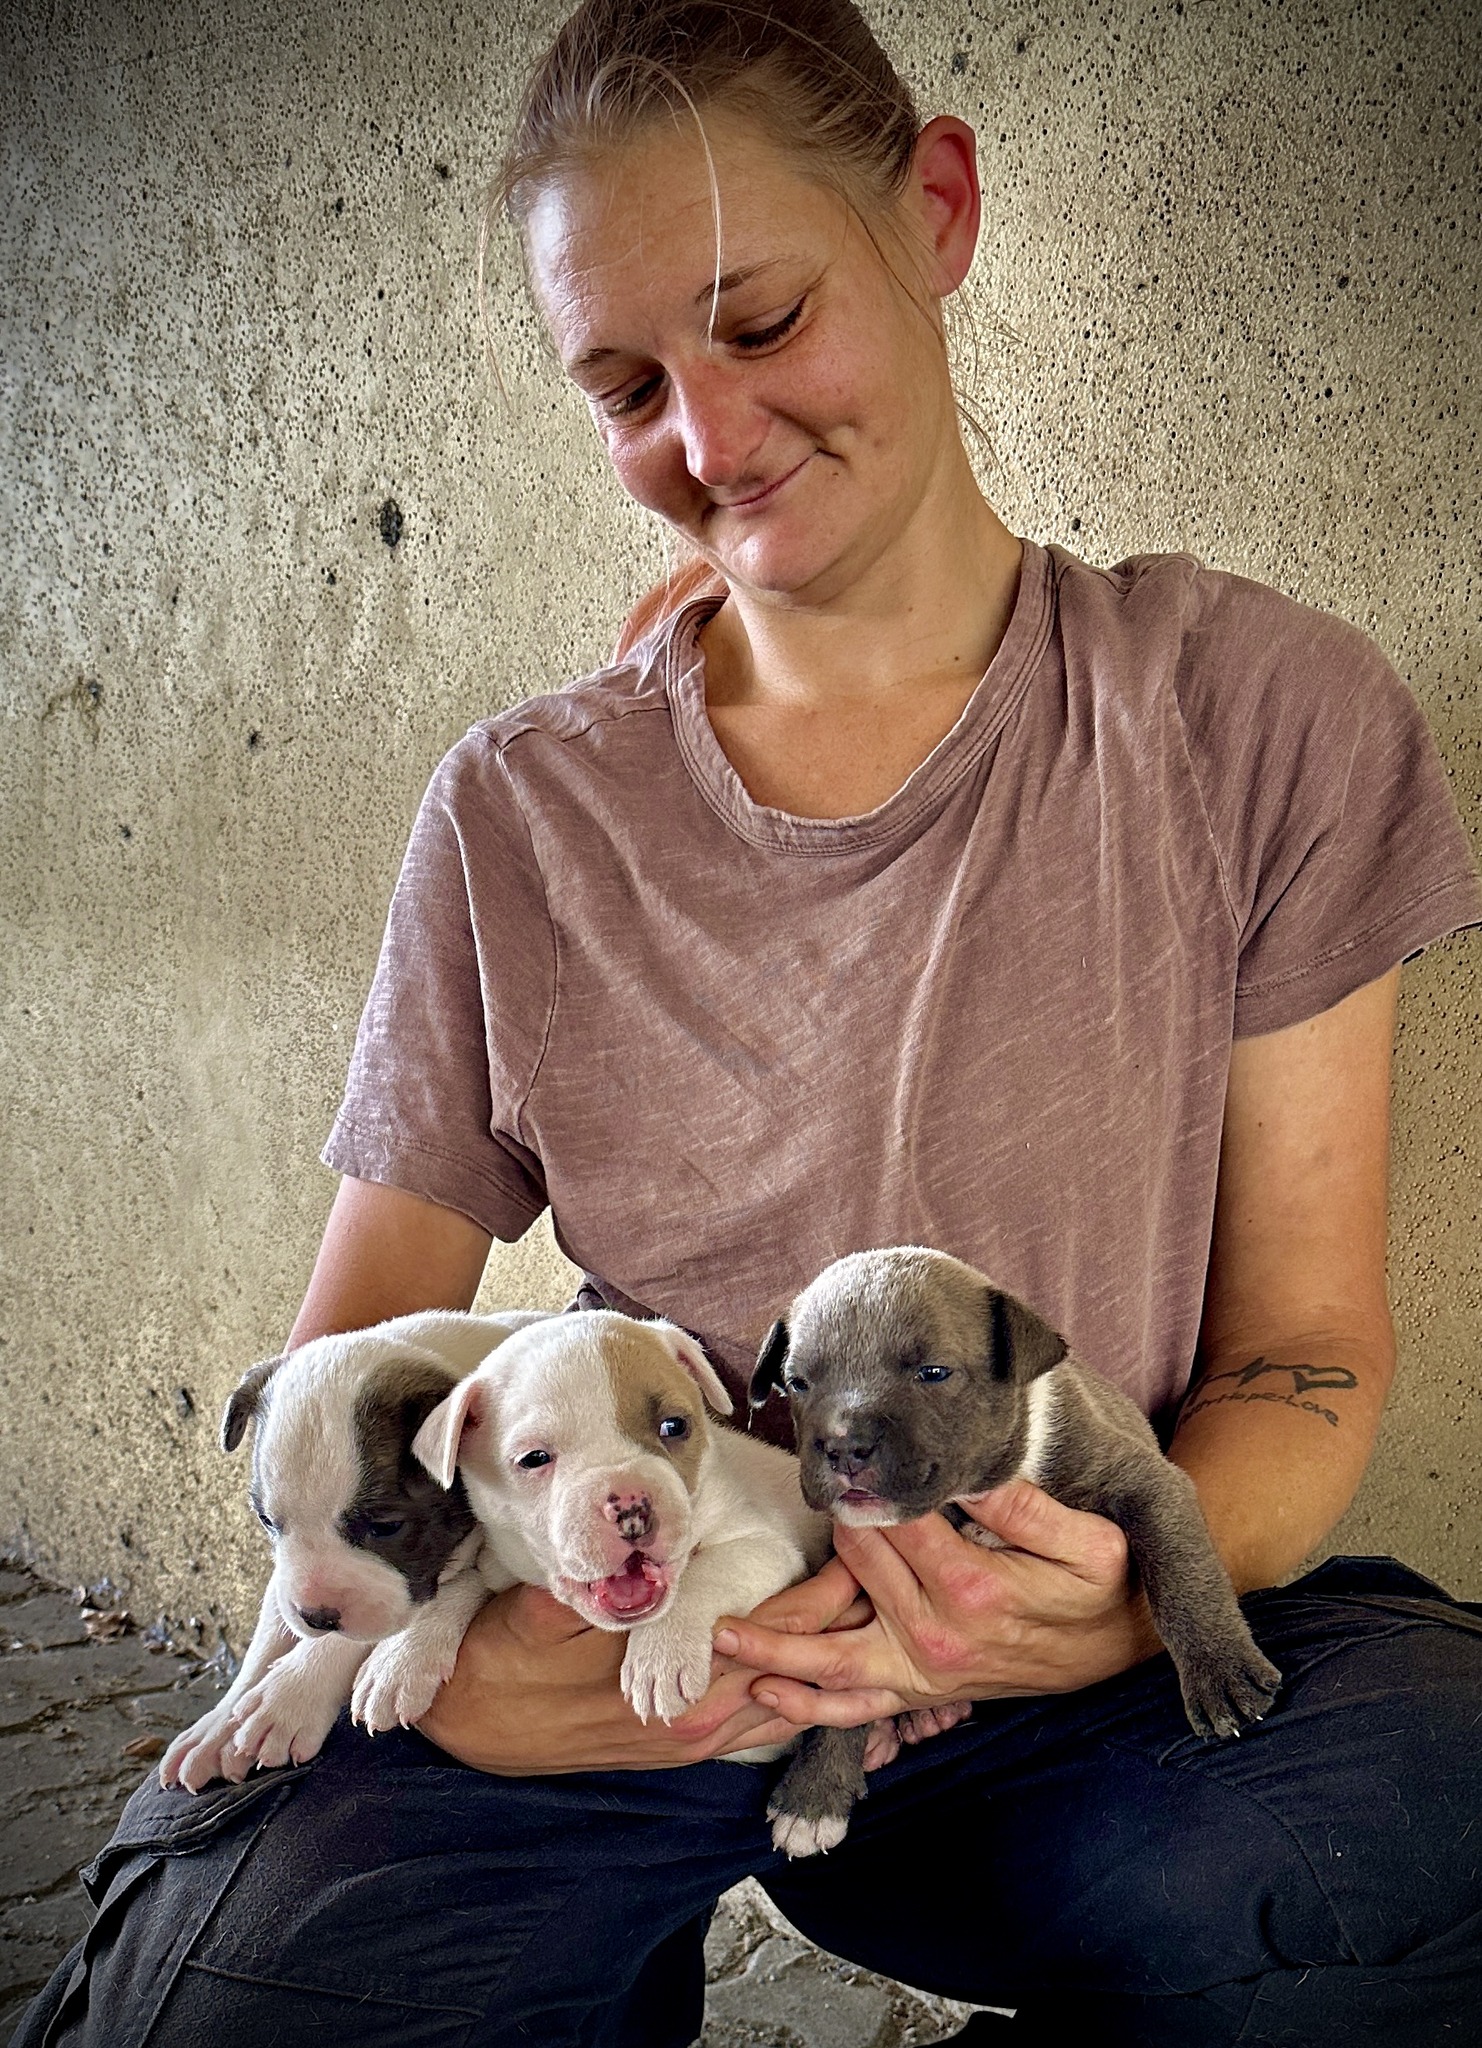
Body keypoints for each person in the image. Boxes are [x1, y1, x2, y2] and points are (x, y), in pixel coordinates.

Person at [16, 3, 1482, 2044]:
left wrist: (1119, 1591)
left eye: (764, 321)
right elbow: (339, 1374)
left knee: (1415, 1840)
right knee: (219, 2004)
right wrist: (472, 1636)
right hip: (612, 1650)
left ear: (937, 212)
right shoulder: (519, 812)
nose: (705, 443)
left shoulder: (1263, 718)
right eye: (625, 383)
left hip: (1071, 1701)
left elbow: (1306, 1346)